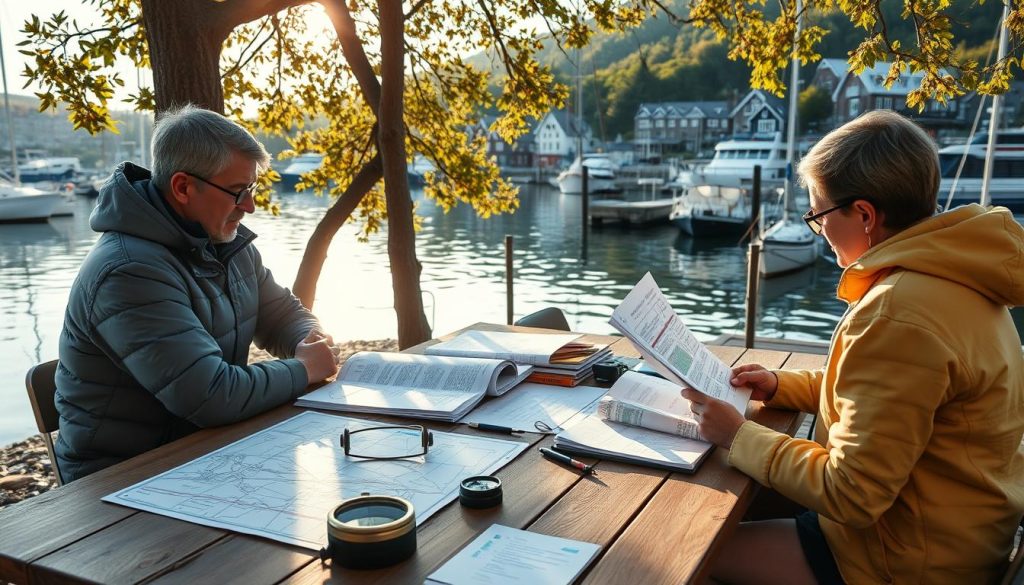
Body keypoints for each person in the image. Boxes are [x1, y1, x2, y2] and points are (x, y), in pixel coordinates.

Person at [682, 110, 1024, 584]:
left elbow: (852, 494)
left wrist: (737, 435)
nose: (817, 229)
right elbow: (885, 399)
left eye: (818, 214)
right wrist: (781, 384)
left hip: (903, 560)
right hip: (953, 531)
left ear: (863, 214)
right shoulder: (960, 277)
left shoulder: (899, 313)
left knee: (689, 551)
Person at [55, 105, 338, 482]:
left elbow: (283, 314)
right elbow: (211, 396)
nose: (250, 206)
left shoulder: (226, 244)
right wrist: (305, 368)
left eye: (251, 188)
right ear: (183, 187)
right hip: (121, 476)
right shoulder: (127, 271)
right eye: (238, 191)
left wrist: (309, 338)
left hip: (201, 448)